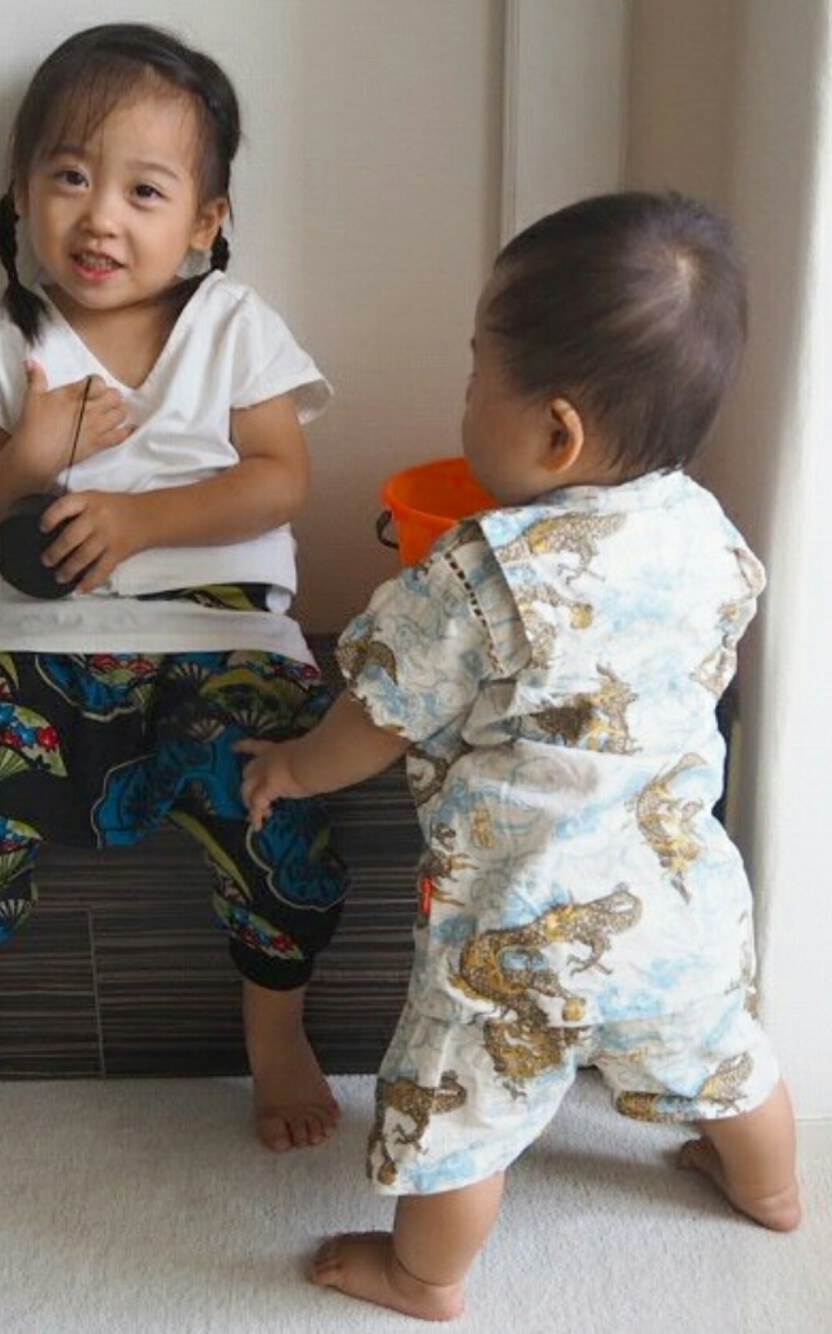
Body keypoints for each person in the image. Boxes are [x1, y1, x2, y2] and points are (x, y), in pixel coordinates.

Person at [239, 191, 801, 1321]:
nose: (462, 397)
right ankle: (772, 1187)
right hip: (680, 904)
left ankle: (423, 1275)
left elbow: (379, 714)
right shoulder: (707, 531)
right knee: (723, 1051)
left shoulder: (480, 573)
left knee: (462, 1110)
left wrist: (293, 766)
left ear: (555, 435)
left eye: (473, 373)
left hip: (516, 935)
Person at [0, 23, 346, 1154]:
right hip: (37, 638)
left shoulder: (232, 326)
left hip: (223, 638)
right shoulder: (6, 346)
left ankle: (276, 1030)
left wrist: (140, 520)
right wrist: (28, 460)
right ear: (22, 193)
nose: (101, 218)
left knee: (281, 798)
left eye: (145, 190)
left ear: (205, 222)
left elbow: (281, 478)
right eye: (71, 177)